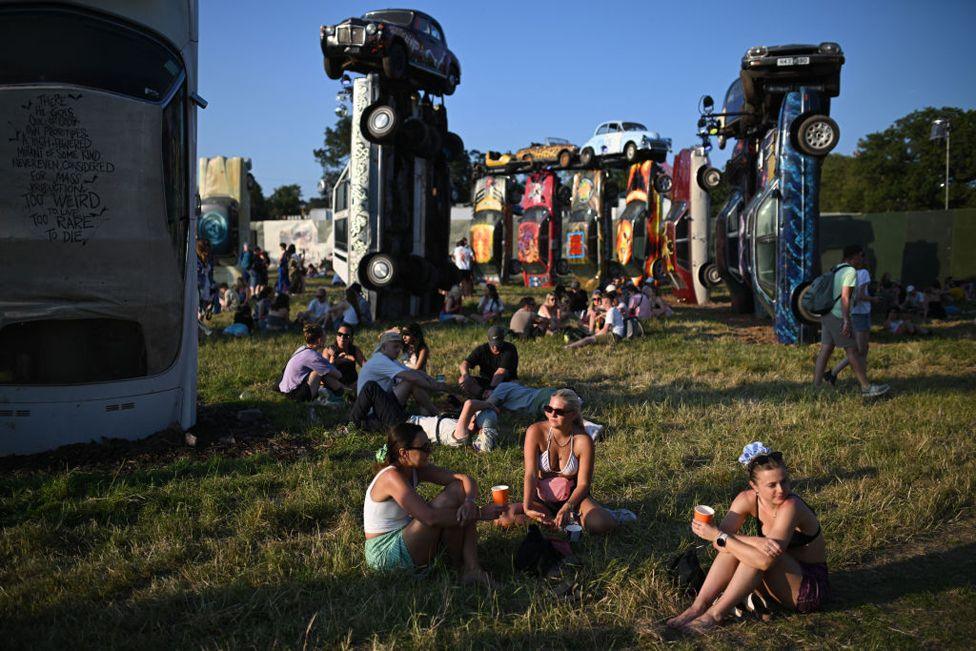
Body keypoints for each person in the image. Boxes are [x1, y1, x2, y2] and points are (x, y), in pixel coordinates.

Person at [667, 442, 830, 634]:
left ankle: (715, 615)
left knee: (748, 553)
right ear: (754, 486)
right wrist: (752, 540)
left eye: (784, 481)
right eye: (772, 485)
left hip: (808, 589)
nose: (781, 489)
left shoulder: (791, 506)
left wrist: (721, 536)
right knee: (735, 547)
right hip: (777, 580)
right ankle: (698, 607)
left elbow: (763, 560)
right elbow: (720, 545)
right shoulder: (747, 499)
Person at [363, 422, 503, 583]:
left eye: (428, 445)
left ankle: (469, 568)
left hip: (405, 536)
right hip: (384, 553)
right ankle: (461, 568)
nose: (429, 451)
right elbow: (429, 518)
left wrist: (470, 503)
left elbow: (464, 479)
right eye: (423, 448)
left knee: (459, 492)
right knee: (447, 510)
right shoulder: (391, 477)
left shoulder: (414, 469)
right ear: (404, 453)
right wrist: (479, 514)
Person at [499, 389, 623, 532]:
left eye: (559, 411)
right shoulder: (535, 431)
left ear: (573, 414)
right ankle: (560, 522)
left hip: (574, 500)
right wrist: (527, 507)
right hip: (542, 500)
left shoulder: (583, 440)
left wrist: (567, 507)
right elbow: (531, 474)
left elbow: (583, 484)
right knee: (503, 518)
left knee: (602, 523)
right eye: (549, 409)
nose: (552, 414)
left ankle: (569, 519)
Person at [813, 245, 889, 397]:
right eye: (861, 255)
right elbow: (845, 297)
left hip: (826, 313)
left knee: (826, 349)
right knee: (853, 351)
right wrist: (846, 320)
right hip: (837, 314)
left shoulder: (837, 268)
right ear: (853, 257)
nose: (862, 259)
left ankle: (816, 387)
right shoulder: (850, 271)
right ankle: (866, 388)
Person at [352, 331, 458, 424]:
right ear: (384, 347)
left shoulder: (390, 360)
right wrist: (437, 387)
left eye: (399, 347)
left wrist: (435, 382)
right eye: (395, 346)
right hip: (373, 412)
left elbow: (415, 373)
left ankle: (431, 413)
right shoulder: (380, 360)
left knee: (413, 381)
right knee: (410, 382)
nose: (399, 350)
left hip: (382, 403)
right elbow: (412, 378)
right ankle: (436, 414)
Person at [824, 255, 877, 385]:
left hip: (854, 313)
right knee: (859, 349)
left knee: (862, 349)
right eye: (860, 256)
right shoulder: (863, 273)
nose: (862, 259)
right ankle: (835, 374)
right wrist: (874, 299)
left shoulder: (843, 272)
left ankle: (861, 379)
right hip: (861, 313)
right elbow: (860, 295)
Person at [278, 324, 348, 403]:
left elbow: (326, 367)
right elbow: (338, 375)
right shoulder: (313, 356)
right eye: (325, 336)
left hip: (284, 389)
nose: (326, 338)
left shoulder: (302, 348)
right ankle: (343, 395)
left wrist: (333, 360)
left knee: (323, 371)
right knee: (319, 373)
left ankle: (343, 394)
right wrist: (336, 361)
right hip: (294, 394)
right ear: (319, 340)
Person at [459, 326, 519, 399]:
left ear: (503, 339)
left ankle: (491, 398)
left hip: (505, 382)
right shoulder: (482, 349)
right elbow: (464, 364)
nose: (495, 348)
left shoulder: (510, 349)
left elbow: (501, 372)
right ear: (488, 340)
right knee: (462, 380)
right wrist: (466, 375)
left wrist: (491, 388)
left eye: (498, 344)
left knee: (515, 385)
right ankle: (482, 396)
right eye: (493, 344)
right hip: (486, 382)